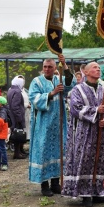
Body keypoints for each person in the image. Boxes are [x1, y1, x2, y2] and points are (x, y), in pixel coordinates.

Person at [62, 62, 104, 207]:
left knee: (101, 160)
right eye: (94, 68)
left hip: (101, 132)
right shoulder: (78, 89)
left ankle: (100, 191)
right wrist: (97, 111)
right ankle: (86, 194)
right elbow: (75, 108)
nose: (98, 69)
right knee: (85, 160)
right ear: (85, 71)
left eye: (99, 67)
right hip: (84, 132)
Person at [28, 55, 76, 196]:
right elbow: (34, 98)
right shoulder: (36, 82)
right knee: (44, 152)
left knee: (59, 151)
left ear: (55, 68)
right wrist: (52, 93)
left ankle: (56, 183)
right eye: (45, 67)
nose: (47, 69)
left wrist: (64, 64)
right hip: (43, 125)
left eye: (50, 67)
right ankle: (44, 185)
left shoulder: (58, 79)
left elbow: (71, 84)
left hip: (59, 123)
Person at [7, 76, 27, 159]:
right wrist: (19, 118)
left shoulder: (10, 90)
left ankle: (17, 152)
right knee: (18, 134)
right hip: (16, 116)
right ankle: (17, 153)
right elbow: (15, 106)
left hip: (11, 115)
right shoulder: (17, 91)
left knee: (15, 134)